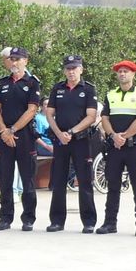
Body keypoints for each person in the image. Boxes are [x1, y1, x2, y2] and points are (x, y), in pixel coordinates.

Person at [45, 55, 98, 233]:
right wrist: (60, 134)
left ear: (81, 69)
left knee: (84, 181)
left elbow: (91, 116)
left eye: (74, 68)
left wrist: (71, 132)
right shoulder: (57, 88)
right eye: (68, 68)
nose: (71, 71)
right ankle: (57, 221)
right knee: (58, 180)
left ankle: (89, 222)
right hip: (61, 141)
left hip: (81, 140)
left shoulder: (89, 89)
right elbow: (49, 114)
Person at [0, 47, 42, 230]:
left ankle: (28, 218)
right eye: (11, 59)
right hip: (5, 137)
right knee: (5, 177)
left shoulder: (32, 82)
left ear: (25, 61)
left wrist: (12, 130)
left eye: (18, 59)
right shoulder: (2, 83)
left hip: (25, 136)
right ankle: (5, 217)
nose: (14, 62)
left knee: (27, 178)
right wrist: (4, 131)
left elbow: (31, 110)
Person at [98, 60, 136, 237]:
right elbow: (104, 118)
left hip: (134, 147)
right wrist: (113, 136)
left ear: (133, 74)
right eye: (119, 71)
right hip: (115, 147)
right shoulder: (111, 94)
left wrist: (124, 136)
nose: (122, 74)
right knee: (112, 186)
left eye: (126, 71)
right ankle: (109, 223)